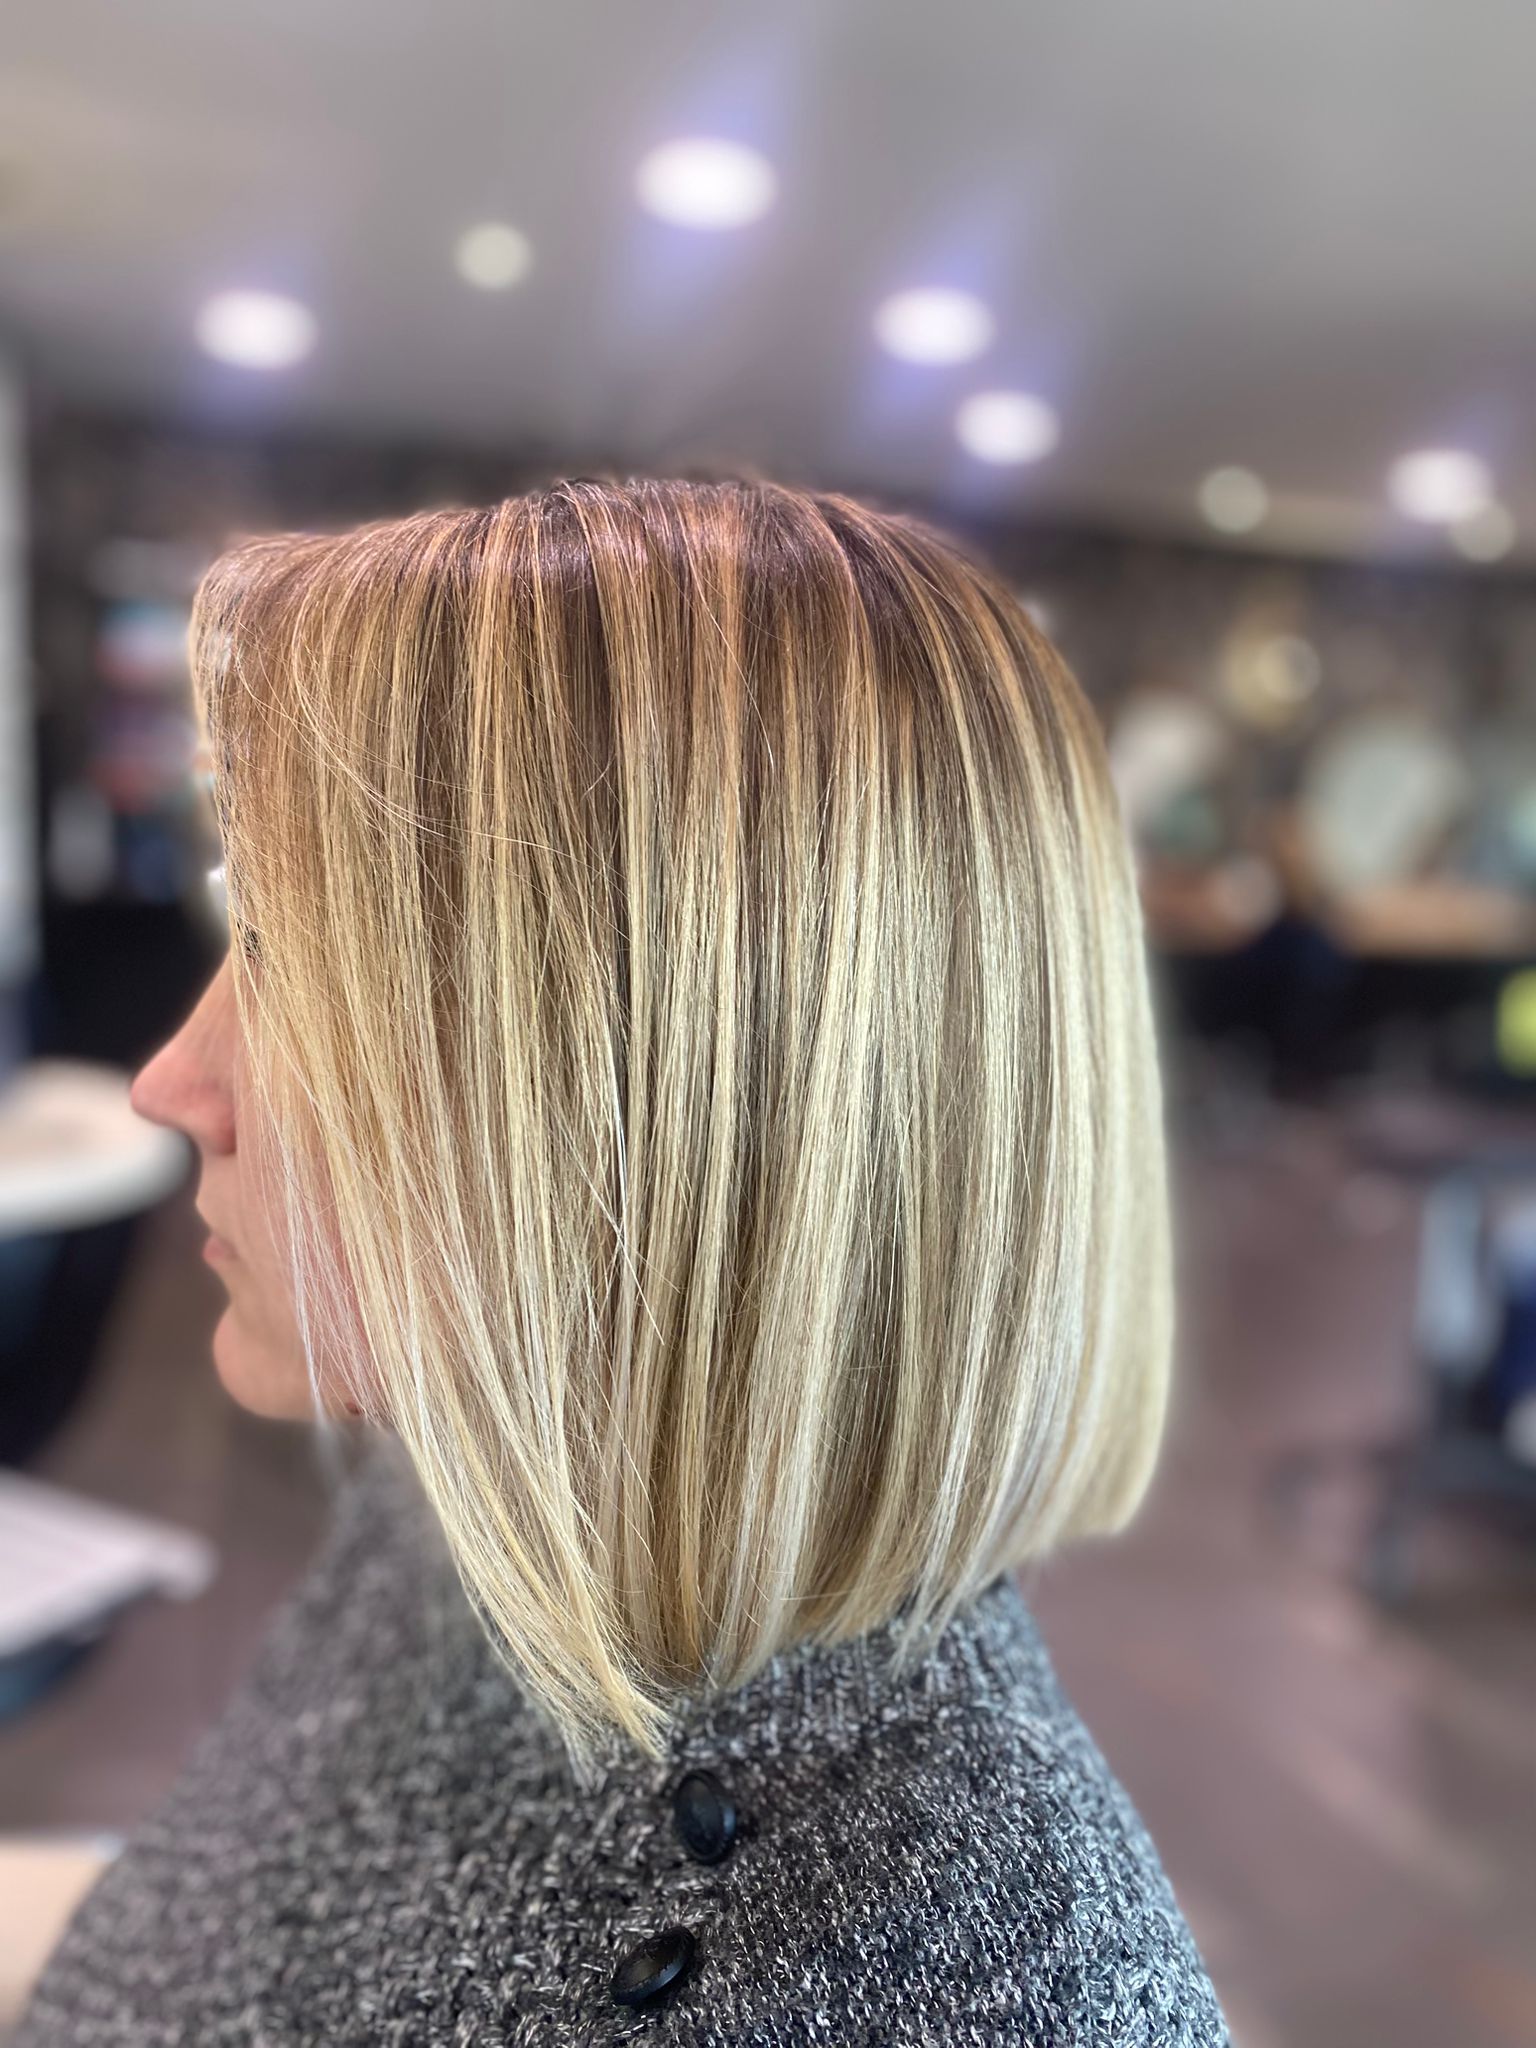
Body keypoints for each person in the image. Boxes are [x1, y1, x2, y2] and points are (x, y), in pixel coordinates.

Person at [15, 479, 1231, 2046]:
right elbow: (232, 1925)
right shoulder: (477, 1498)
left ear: (689, 1104)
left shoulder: (996, 1992)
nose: (173, 1081)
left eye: (304, 962)